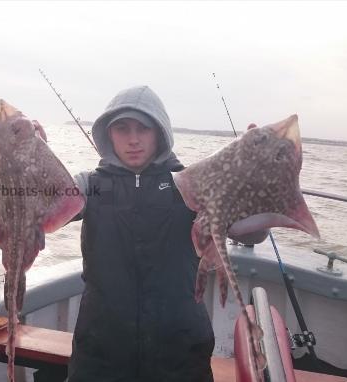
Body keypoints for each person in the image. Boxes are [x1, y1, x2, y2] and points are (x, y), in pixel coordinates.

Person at [67, 86, 267, 381]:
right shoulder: (90, 185)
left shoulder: (192, 182)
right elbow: (42, 208)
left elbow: (252, 233)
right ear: (108, 134)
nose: (133, 139)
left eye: (143, 129)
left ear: (159, 132)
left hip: (180, 351)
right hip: (101, 351)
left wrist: (252, 175)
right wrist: (21, 158)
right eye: (122, 129)